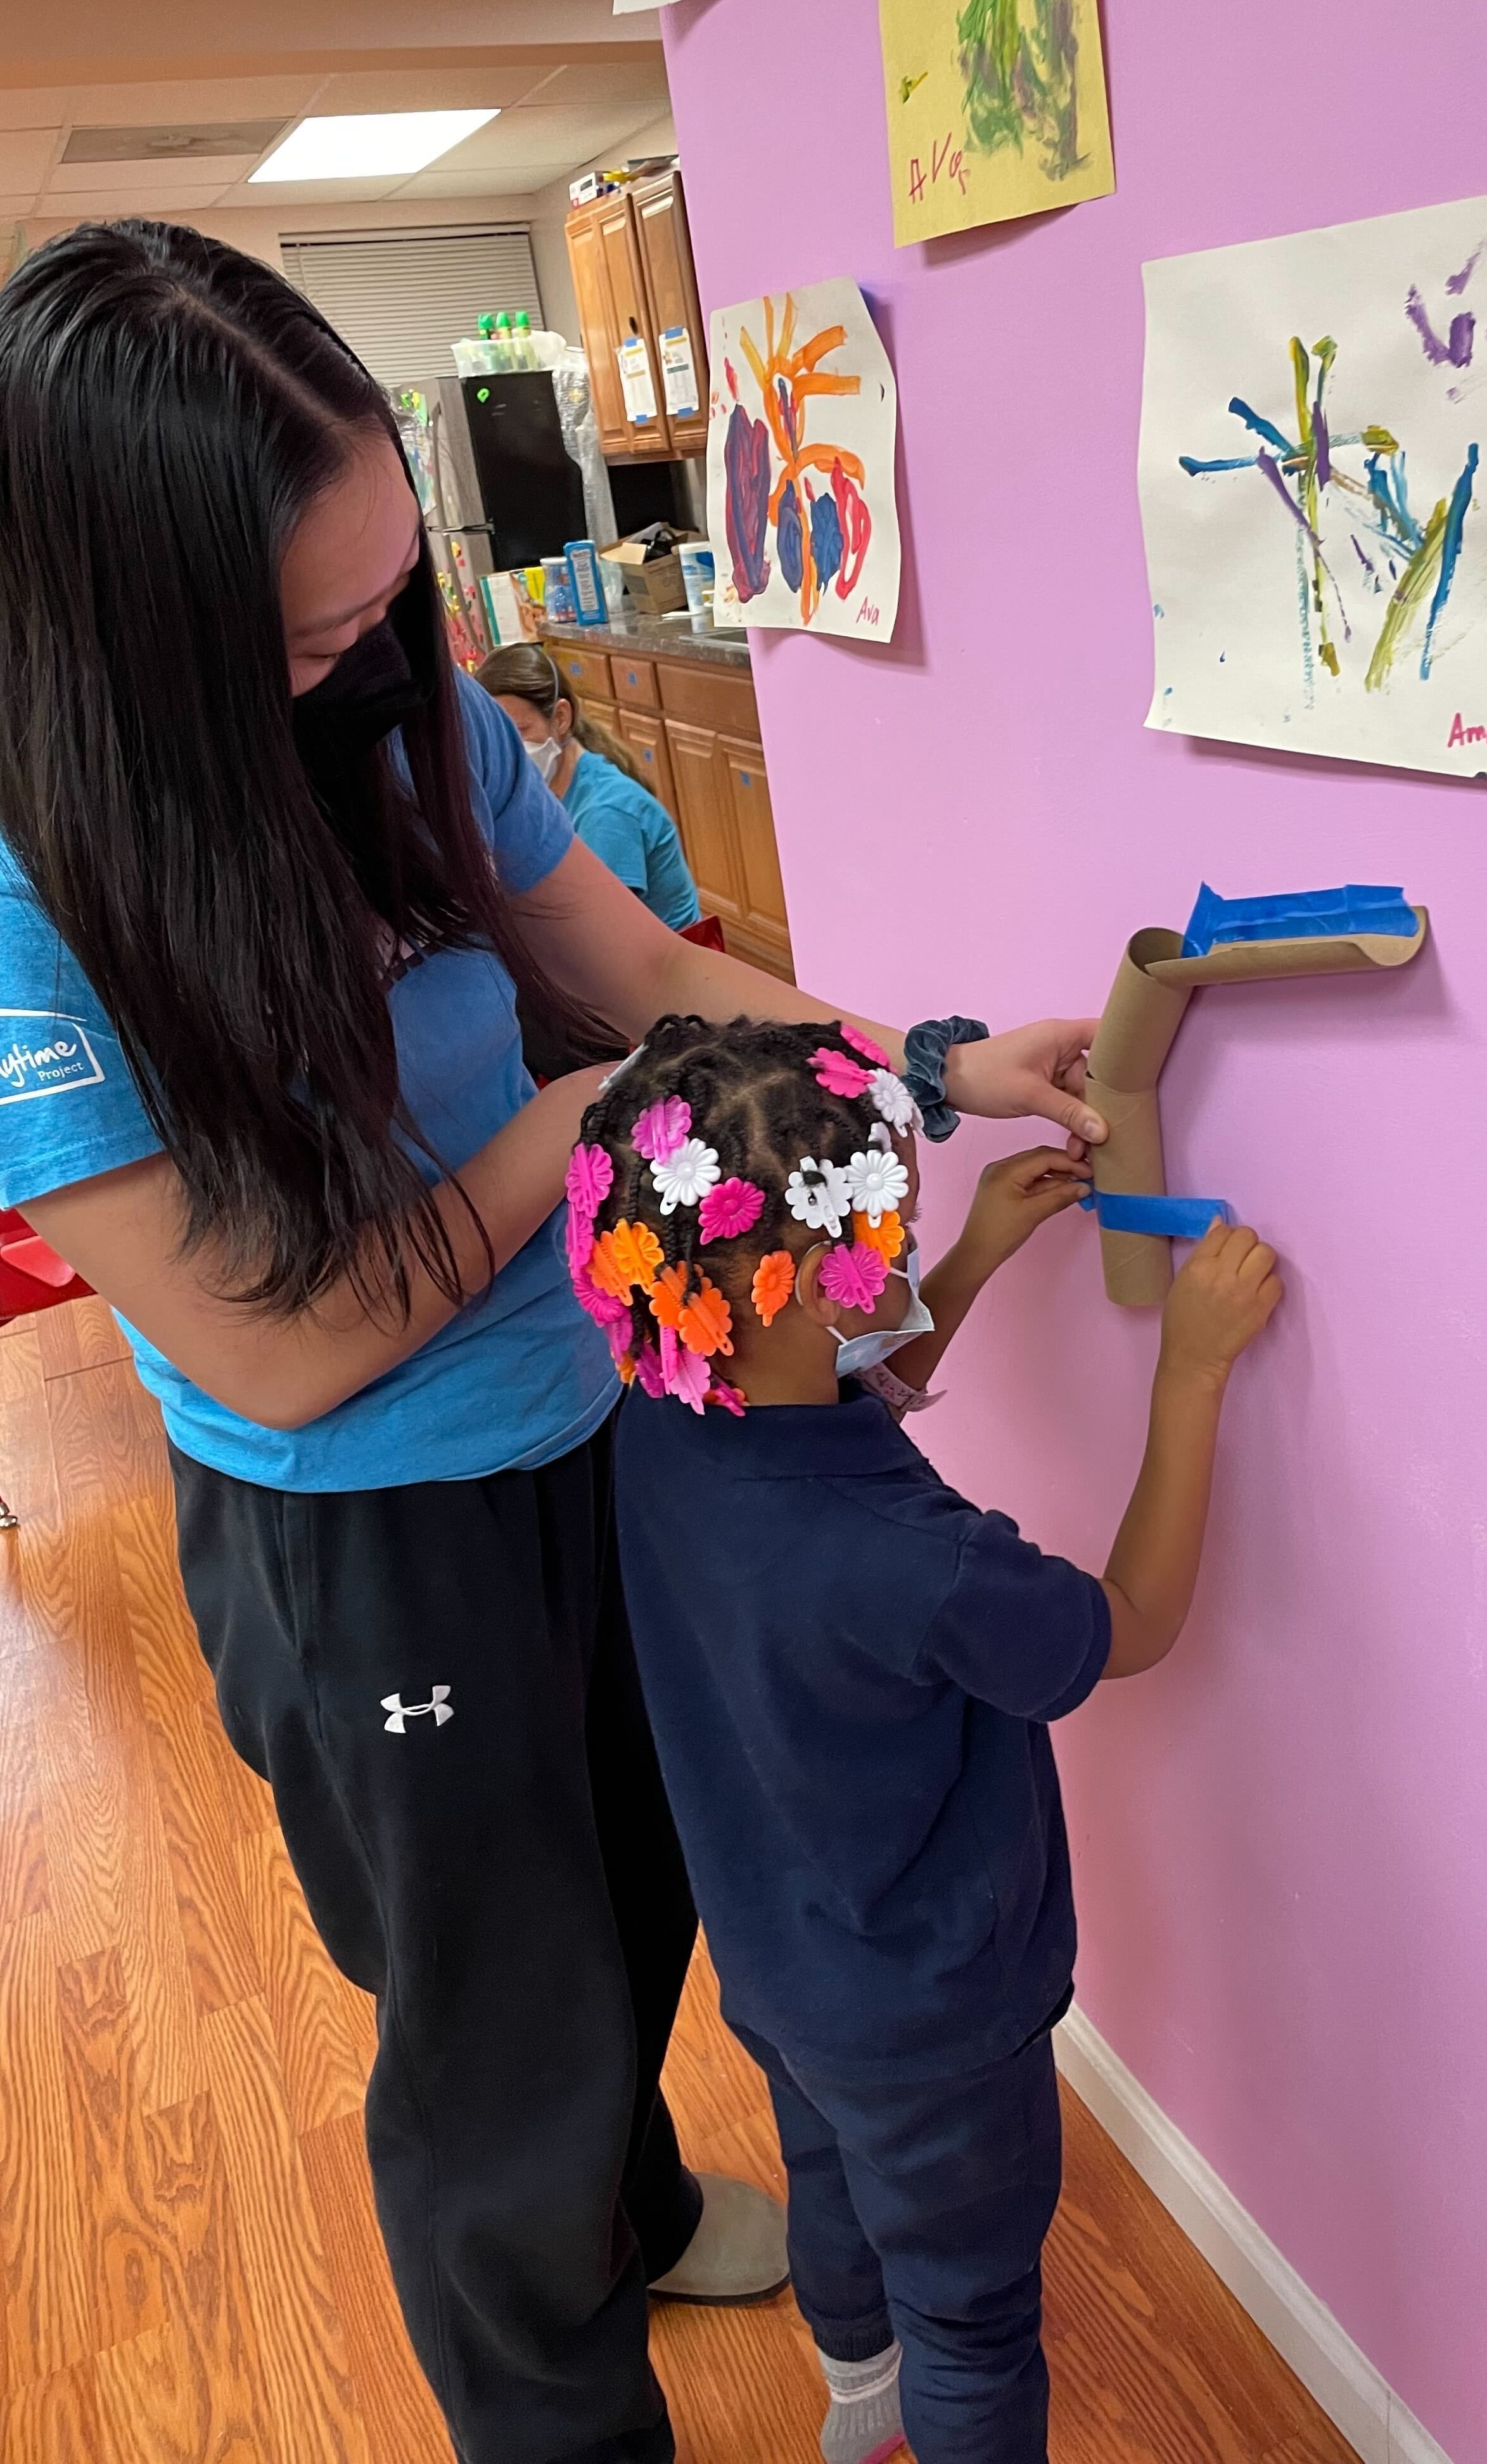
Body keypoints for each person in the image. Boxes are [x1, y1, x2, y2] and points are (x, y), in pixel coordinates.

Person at [0, 219, 1109, 2464]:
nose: (370, 653)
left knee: (642, 1889)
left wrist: (936, 1061)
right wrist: (568, 1133)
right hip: (369, 1530)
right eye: (305, 632)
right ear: (134, 645)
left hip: (605, 1415)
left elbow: (640, 969)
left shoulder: (403, 705)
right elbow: (286, 1350)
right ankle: (561, 2393)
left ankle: (622, 2186)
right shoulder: (33, 904)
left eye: (383, 596)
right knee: (496, 2039)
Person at [570, 1015, 1282, 2464]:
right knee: (973, 2313)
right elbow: (1126, 1624)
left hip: (781, 1966)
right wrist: (1192, 1372)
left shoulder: (663, 1416)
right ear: (793, 1290)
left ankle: (856, 2401)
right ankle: (920, 2398)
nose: (893, 1257)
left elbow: (839, 1395)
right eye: (879, 1241)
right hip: (941, 2021)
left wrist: (963, 1265)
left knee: (831, 2177)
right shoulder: (925, 1566)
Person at [476, 642, 701, 934]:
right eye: (495, 738)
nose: (508, 752)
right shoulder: (553, 789)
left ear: (560, 718)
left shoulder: (606, 812)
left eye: (519, 732)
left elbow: (600, 937)